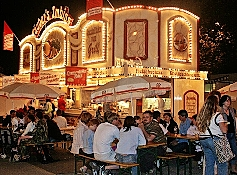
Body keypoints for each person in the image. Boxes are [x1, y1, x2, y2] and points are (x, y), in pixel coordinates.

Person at [197, 95, 228, 175]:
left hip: (204, 140)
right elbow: (224, 130)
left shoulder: (202, 115)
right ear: (215, 104)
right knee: (222, 163)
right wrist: (226, 124)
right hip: (215, 139)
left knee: (209, 163)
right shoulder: (217, 115)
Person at [219, 95, 237, 173]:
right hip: (224, 134)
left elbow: (233, 121)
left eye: (229, 100)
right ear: (223, 102)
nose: (228, 102)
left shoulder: (232, 110)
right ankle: (226, 169)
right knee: (225, 152)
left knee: (234, 151)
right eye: (227, 100)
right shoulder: (220, 111)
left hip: (232, 133)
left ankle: (233, 168)